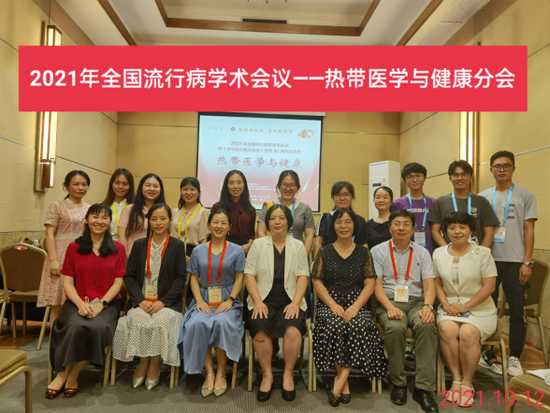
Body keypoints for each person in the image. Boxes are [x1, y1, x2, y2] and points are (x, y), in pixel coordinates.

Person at [46, 204, 125, 399]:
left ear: (110, 222)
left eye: (104, 218)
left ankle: (72, 374)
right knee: (74, 325)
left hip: (108, 304)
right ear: (87, 220)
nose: (99, 221)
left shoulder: (118, 249)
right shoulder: (74, 248)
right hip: (76, 302)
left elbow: (118, 283)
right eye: (95, 217)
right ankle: (63, 374)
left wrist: (100, 305)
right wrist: (81, 304)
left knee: (96, 326)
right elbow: (68, 283)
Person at [312, 207, 386, 407]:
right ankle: (344, 383)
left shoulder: (364, 252)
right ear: (333, 226)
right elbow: (317, 282)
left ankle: (339, 380)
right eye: (339, 222)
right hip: (330, 304)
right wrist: (333, 304)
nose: (343, 226)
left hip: (357, 304)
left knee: (358, 325)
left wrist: (355, 307)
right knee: (336, 324)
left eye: (347, 222)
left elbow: (370, 284)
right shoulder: (324, 251)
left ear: (355, 226)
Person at [113, 204, 187, 390]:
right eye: (154, 219)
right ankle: (143, 360)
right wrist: (140, 301)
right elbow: (130, 277)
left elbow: (180, 279)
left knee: (160, 323)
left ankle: (155, 362)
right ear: (149, 221)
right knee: (139, 321)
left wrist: (163, 302)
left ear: (170, 221)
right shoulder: (139, 245)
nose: (158, 223)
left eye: (163, 219)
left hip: (167, 304)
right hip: (142, 301)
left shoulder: (178, 245)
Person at [372, 210, 439, 413]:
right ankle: (398, 383)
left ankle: (423, 389)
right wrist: (389, 307)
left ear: (413, 228)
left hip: (418, 302)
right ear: (390, 227)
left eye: (406, 224)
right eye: (397, 224)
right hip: (390, 301)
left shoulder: (423, 252)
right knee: (395, 327)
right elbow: (376, 286)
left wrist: (428, 306)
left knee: (427, 325)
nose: (401, 228)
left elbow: (429, 284)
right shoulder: (378, 251)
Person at [478, 150, 537, 376]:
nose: (501, 169)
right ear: (491, 169)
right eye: (497, 166)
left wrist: (527, 262)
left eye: (506, 166)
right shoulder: (483, 197)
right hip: (489, 261)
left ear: (513, 168)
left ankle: (515, 356)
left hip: (515, 261)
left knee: (517, 311)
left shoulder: (526, 195)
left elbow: (529, 229)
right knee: (486, 309)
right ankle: (487, 352)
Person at [244, 204, 309, 402]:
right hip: (263, 300)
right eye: (272, 218)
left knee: (293, 331)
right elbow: (249, 275)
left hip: (290, 300)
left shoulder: (298, 245)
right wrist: (258, 302)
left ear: (289, 222)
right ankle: (267, 375)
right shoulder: (258, 244)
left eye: (281, 218)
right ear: (267, 222)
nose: (277, 222)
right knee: (260, 329)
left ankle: (288, 374)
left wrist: (295, 303)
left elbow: (303, 276)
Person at [178, 209, 245, 397]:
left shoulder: (237, 250)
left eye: (224, 223)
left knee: (222, 322)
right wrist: (199, 300)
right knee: (197, 323)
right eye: (215, 222)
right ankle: (209, 372)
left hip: (227, 299)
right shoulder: (198, 250)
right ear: (209, 225)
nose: (219, 226)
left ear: (229, 227)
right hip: (204, 299)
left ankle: (221, 372)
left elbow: (239, 278)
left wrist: (230, 300)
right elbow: (193, 278)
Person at [434, 212, 497, 407]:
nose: (457, 231)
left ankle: (468, 383)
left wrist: (466, 307)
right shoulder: (438, 253)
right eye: (452, 227)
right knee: (447, 329)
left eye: (462, 227)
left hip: (479, 309)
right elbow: (436, 283)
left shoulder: (483, 253)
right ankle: (456, 379)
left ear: (471, 230)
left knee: (468, 332)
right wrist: (445, 304)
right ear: (446, 231)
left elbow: (489, 287)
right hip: (449, 306)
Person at [37, 170, 91, 324]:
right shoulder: (57, 206)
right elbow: (50, 234)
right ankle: (55, 335)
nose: (80, 188)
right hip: (61, 253)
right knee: (58, 301)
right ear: (66, 186)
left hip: (82, 253)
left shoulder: (90, 208)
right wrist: (53, 260)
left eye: (84, 184)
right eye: (76, 184)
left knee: (80, 297)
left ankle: (75, 333)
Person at [429, 160, 499, 248]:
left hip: (475, 252)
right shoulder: (440, 202)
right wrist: (447, 250)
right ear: (450, 178)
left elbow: (489, 233)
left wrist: (480, 252)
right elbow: (435, 231)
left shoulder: (482, 202)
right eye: (456, 175)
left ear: (471, 177)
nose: (460, 178)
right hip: (450, 252)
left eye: (464, 174)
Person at [257, 170, 315, 257]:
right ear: (279, 186)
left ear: (297, 187)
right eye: (284, 184)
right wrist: (268, 253)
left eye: (292, 185)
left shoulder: (305, 209)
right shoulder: (269, 207)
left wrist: (303, 257)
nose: (288, 188)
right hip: (272, 254)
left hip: (297, 253)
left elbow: (309, 235)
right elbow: (261, 232)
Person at [314, 181, 368, 258]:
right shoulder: (325, 218)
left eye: (346, 194)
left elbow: (364, 244)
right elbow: (318, 242)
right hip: (329, 261)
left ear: (352, 197)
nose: (342, 198)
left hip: (355, 262)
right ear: (333, 198)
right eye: (338, 195)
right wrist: (318, 262)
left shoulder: (360, 220)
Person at [392, 163, 436, 255]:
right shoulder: (397, 203)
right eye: (410, 177)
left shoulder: (433, 202)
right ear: (404, 180)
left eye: (418, 176)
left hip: (429, 250)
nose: (415, 180)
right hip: (404, 251)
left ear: (425, 178)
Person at [118, 173, 166, 255]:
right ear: (141, 188)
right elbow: (121, 235)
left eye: (155, 186)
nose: (151, 189)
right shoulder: (130, 209)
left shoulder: (164, 211)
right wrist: (125, 256)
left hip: (156, 256)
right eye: (148, 185)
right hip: (134, 255)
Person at [212, 170, 256, 255]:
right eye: (231, 183)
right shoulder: (217, 207)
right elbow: (212, 231)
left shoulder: (251, 209)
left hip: (243, 251)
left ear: (244, 185)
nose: (235, 186)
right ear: (226, 186)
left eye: (239, 182)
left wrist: (249, 245)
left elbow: (251, 234)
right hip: (220, 250)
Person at [171, 177, 210, 257]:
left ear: (198, 193)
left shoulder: (204, 212)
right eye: (185, 189)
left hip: (193, 252)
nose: (188, 193)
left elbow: (203, 239)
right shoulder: (174, 212)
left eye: (192, 189)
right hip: (173, 251)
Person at [101, 168, 135, 240]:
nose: (120, 187)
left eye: (125, 184)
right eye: (117, 183)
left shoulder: (136, 207)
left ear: (130, 186)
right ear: (111, 184)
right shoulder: (101, 206)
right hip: (106, 244)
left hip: (129, 244)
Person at [365, 186, 393, 250]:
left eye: (385, 197)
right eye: (378, 197)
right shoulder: (368, 224)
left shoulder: (397, 222)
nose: (381, 200)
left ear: (391, 201)